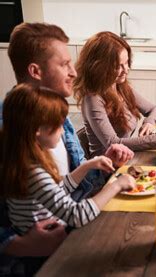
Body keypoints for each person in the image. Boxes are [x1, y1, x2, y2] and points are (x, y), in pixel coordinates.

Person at [0, 22, 133, 275]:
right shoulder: (8, 128)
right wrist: (16, 245)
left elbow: (69, 186)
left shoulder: (58, 118)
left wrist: (105, 163)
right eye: (64, 64)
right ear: (35, 71)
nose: (74, 72)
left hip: (76, 231)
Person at [74, 31, 156, 157]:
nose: (126, 70)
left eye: (126, 63)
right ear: (99, 67)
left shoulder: (120, 87)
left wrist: (149, 122)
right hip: (108, 170)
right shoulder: (93, 99)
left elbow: (154, 109)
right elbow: (114, 144)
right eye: (118, 66)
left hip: (126, 158)